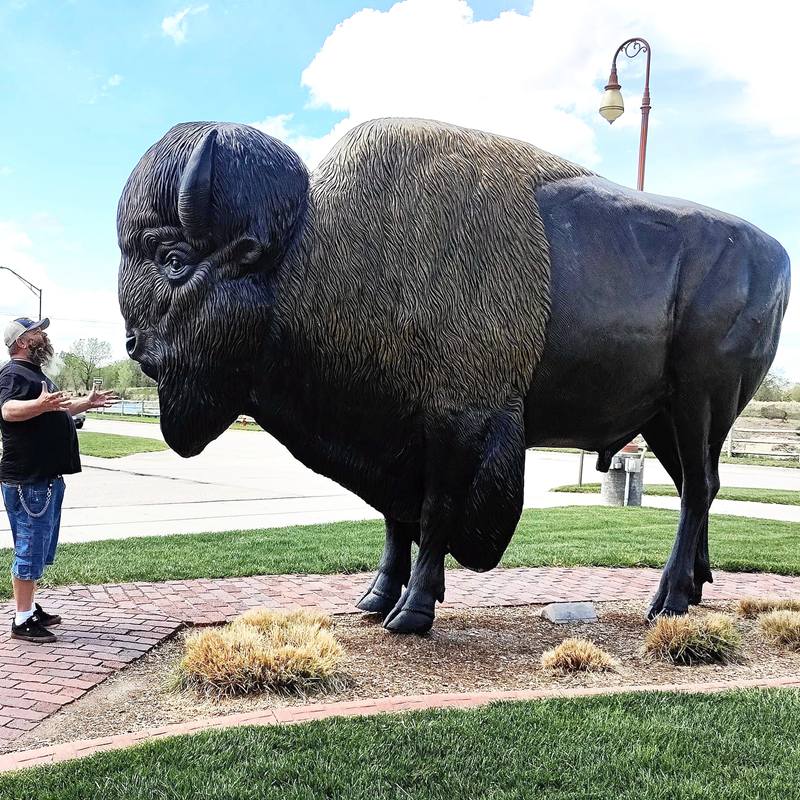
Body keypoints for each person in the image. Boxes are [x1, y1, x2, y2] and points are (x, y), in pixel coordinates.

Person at [0, 317, 116, 643]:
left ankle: (29, 607)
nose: (44, 335)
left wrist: (85, 404)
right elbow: (7, 410)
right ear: (22, 341)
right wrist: (37, 404)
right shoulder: (12, 374)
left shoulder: (35, 375)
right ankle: (22, 620)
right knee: (28, 548)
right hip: (28, 480)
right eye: (37, 331)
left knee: (38, 548)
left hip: (44, 479)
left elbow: (57, 409)